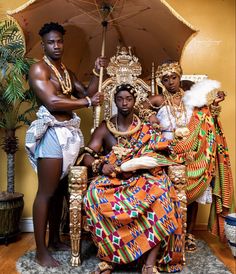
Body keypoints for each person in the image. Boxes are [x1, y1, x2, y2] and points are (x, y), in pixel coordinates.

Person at [25, 22, 107, 267]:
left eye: (60, 41)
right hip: (52, 135)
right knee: (46, 193)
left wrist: (95, 72)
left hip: (68, 135)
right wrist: (87, 103)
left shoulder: (64, 70)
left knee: (60, 191)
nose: (57, 45)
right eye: (51, 42)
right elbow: (52, 101)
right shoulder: (39, 69)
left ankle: (53, 241)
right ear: (44, 44)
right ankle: (41, 251)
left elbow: (87, 91)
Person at [82, 83, 184, 274]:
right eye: (120, 99)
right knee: (93, 195)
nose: (124, 103)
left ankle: (149, 264)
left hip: (142, 179)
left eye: (128, 99)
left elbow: (160, 150)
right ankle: (109, 258)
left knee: (162, 193)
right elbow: (87, 155)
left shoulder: (146, 128)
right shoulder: (106, 128)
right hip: (114, 179)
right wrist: (101, 165)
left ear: (135, 101)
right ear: (114, 101)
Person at [146, 60, 234, 252]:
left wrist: (216, 104)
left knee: (193, 192)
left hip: (193, 150)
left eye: (174, 77)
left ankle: (188, 233)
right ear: (161, 82)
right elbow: (142, 111)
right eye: (165, 79)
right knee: (166, 192)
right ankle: (168, 231)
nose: (170, 82)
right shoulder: (157, 100)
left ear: (180, 77)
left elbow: (207, 116)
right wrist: (151, 118)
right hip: (167, 150)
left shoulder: (191, 97)